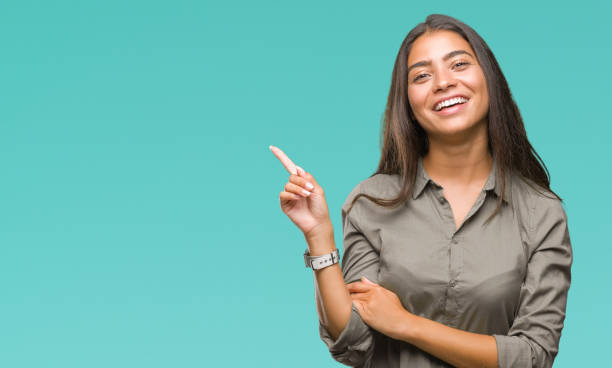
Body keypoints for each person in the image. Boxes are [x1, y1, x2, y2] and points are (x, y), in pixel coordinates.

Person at [270, 13, 572, 368]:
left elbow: (533, 357)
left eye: (458, 64)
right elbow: (353, 341)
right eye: (422, 75)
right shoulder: (371, 202)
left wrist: (407, 325)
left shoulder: (542, 212)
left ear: (489, 79)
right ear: (408, 103)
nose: (443, 83)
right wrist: (318, 235)